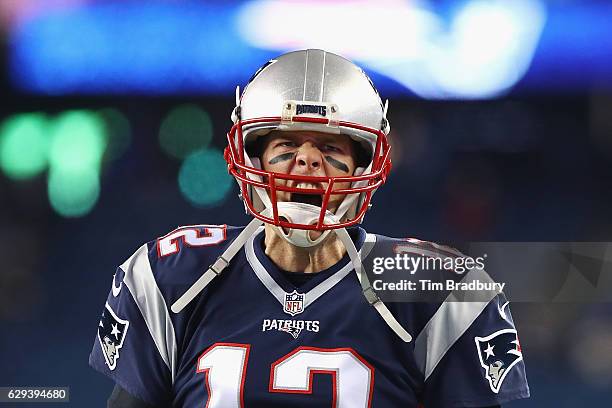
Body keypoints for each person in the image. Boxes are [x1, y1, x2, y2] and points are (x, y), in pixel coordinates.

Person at [90, 49, 529, 407]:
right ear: (251, 157)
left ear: (366, 164)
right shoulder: (174, 276)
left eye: (330, 146)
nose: (306, 162)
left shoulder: (436, 287)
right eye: (285, 143)